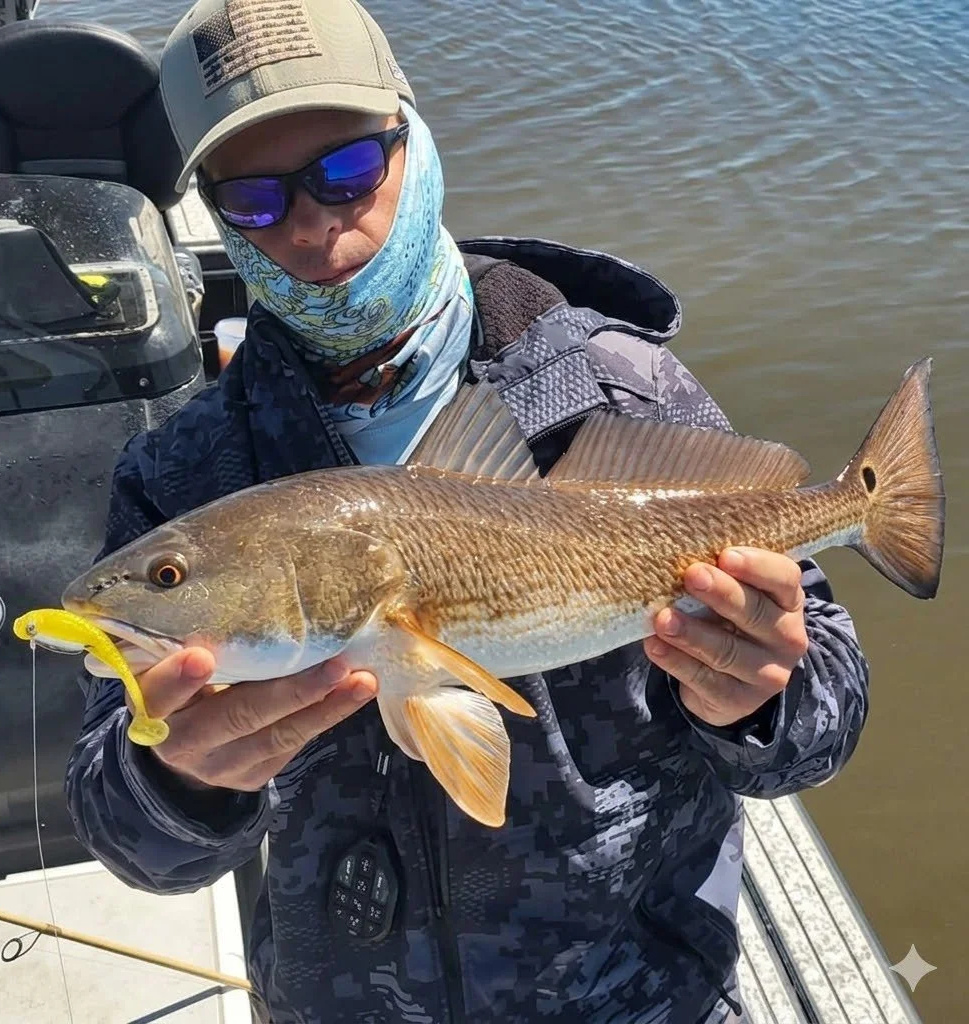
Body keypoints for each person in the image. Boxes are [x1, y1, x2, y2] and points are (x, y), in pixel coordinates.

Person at [65, 0, 869, 1021]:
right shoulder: (184, 476)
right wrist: (176, 784)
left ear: (417, 137)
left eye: (349, 170)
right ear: (215, 216)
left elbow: (828, 713)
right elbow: (122, 834)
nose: (315, 224)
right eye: (257, 200)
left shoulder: (621, 394)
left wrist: (760, 700)